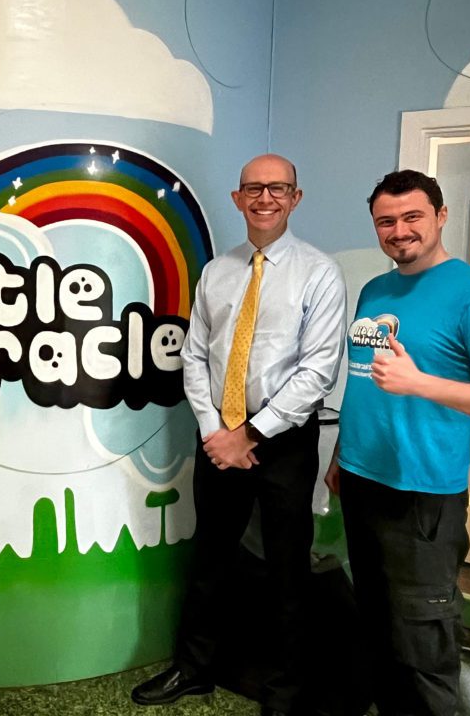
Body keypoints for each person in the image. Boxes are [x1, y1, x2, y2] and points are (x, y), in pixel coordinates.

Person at [132, 154, 347, 716]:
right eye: (254, 188)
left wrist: (249, 434)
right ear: (237, 198)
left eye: (278, 188)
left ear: (296, 198)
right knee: (211, 559)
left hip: (282, 442)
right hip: (219, 437)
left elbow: (317, 372)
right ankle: (195, 669)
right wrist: (216, 430)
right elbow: (195, 356)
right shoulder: (218, 271)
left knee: (287, 569)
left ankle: (285, 690)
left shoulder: (319, 272)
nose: (265, 197)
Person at [327, 170, 470, 716]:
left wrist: (421, 383)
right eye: (387, 221)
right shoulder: (376, 289)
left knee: (423, 640)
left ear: (440, 216)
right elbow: (364, 381)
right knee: (377, 621)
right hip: (362, 480)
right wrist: (341, 457)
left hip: (423, 493)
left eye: (412, 217)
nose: (399, 230)